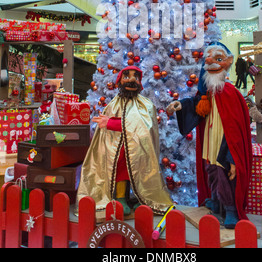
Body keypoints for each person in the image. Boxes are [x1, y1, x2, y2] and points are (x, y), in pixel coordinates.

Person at [166, 42, 252, 229]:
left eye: (218, 58)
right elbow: (197, 105)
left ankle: (230, 208)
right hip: (209, 141)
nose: (212, 62)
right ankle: (215, 199)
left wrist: (233, 158)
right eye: (210, 58)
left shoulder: (230, 93)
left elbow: (236, 130)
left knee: (223, 174)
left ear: (228, 62)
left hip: (224, 142)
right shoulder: (206, 93)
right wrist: (180, 105)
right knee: (211, 171)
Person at [76, 66, 172, 217]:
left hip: (140, 151)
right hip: (117, 151)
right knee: (121, 171)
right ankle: (121, 198)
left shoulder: (146, 105)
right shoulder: (113, 104)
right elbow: (112, 125)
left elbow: (141, 127)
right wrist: (107, 123)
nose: (132, 80)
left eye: (136, 77)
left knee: (142, 170)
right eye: (127, 76)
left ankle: (145, 198)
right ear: (119, 80)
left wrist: (111, 123)